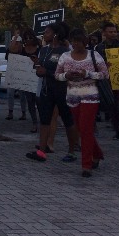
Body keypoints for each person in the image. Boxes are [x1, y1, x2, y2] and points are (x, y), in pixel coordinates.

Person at [54, 28, 109, 177]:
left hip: (90, 95)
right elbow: (57, 75)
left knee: (85, 128)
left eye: (79, 41)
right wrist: (67, 75)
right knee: (82, 129)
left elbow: (105, 74)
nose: (76, 44)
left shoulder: (94, 55)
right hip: (72, 96)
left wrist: (88, 74)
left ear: (85, 42)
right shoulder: (65, 56)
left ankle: (86, 165)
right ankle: (97, 154)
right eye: (74, 41)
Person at [25, 23, 80, 164]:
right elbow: (41, 69)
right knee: (44, 120)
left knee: (68, 121)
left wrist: (47, 72)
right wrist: (37, 65)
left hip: (62, 90)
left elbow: (68, 73)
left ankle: (72, 151)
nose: (44, 34)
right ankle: (42, 151)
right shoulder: (43, 50)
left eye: (47, 32)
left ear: (55, 34)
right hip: (46, 90)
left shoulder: (65, 52)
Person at [94, 21, 119, 140]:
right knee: (112, 106)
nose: (113, 34)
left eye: (114, 31)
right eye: (110, 32)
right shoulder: (99, 47)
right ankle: (118, 131)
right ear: (104, 33)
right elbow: (96, 64)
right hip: (107, 80)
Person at [8, 29, 41, 134]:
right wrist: (16, 37)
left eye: (30, 38)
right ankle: (35, 123)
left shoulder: (40, 49)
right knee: (30, 102)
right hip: (27, 82)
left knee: (40, 102)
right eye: (26, 38)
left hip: (38, 80)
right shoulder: (22, 49)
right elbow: (11, 50)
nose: (28, 40)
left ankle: (44, 122)